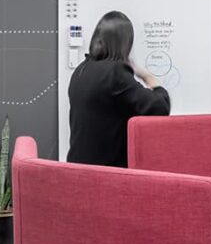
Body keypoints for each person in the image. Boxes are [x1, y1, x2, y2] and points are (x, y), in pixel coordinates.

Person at [67, 11, 170, 168]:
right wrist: (151, 80)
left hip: (78, 169)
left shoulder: (80, 71)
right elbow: (159, 107)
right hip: (106, 174)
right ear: (124, 43)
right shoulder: (115, 72)